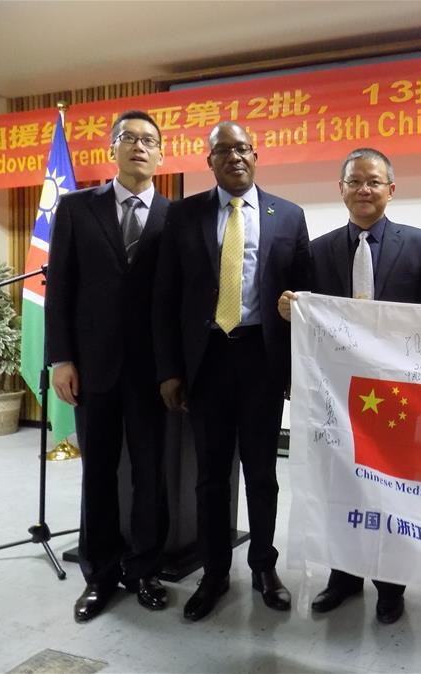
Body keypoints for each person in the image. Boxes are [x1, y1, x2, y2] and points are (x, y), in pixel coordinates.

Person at [152, 121, 310, 622]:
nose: (235, 157)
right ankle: (215, 572)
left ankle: (264, 566)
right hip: (206, 362)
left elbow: (304, 298)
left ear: (256, 155)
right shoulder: (184, 215)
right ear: (210, 161)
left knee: (262, 473)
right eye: (224, 151)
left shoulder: (288, 215)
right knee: (210, 477)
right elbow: (166, 298)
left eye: (243, 149)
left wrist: (295, 366)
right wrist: (170, 370)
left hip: (261, 359)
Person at [278, 147, 421, 625]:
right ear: (340, 189)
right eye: (354, 182)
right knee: (340, 485)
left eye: (373, 181)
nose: (363, 190)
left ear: (391, 189)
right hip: (339, 395)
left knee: (391, 490)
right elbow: (308, 321)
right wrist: (291, 308)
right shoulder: (319, 249)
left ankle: (391, 586)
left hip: (398, 395)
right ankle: (343, 578)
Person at [46, 110, 170, 622]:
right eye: (129, 138)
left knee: (149, 475)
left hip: (152, 374)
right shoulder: (77, 208)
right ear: (112, 150)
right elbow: (61, 288)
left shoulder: (175, 215)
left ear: (161, 155)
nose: (139, 146)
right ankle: (99, 576)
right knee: (97, 474)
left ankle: (144, 570)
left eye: (149, 140)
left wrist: (175, 369)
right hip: (92, 370)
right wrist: (61, 357)